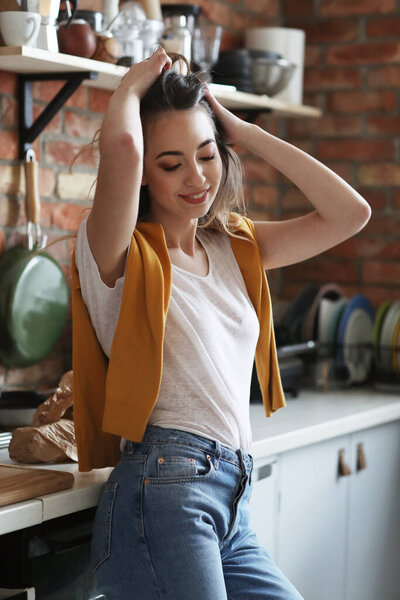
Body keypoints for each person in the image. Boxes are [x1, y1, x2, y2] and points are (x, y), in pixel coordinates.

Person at [71, 48, 371, 600]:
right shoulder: (118, 253)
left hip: (232, 499)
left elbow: (350, 214)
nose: (195, 177)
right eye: (170, 163)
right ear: (142, 175)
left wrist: (245, 132)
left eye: (206, 155)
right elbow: (120, 146)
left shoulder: (235, 246)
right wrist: (131, 87)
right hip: (165, 495)